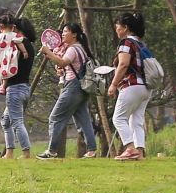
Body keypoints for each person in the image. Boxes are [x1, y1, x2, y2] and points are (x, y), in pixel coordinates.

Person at [36, 23, 98, 160]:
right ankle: (92, 150)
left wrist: (48, 52)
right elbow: (66, 66)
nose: (62, 34)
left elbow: (63, 62)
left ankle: (51, 151)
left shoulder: (72, 49)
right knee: (83, 119)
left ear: (74, 34)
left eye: (65, 32)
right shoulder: (81, 48)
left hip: (72, 87)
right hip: (82, 88)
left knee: (55, 117)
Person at [108, 12, 152, 161]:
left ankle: (130, 148)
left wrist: (113, 84)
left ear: (125, 27)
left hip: (132, 84)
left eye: (118, 27)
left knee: (118, 118)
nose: (117, 30)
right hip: (146, 87)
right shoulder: (141, 44)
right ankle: (139, 151)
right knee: (136, 120)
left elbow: (123, 64)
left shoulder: (126, 43)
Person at [0, 16, 36, 159]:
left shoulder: (17, 44)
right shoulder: (29, 46)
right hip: (25, 87)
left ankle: (26, 153)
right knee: (6, 120)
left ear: (15, 28)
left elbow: (7, 64)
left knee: (17, 121)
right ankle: (9, 153)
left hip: (15, 88)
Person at [0, 13, 29, 95]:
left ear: (0, 26)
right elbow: (20, 44)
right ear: (13, 27)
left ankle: (2, 85)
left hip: (0, 56)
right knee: (6, 71)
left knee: (2, 72)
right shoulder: (14, 35)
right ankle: (3, 86)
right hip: (9, 56)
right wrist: (24, 51)